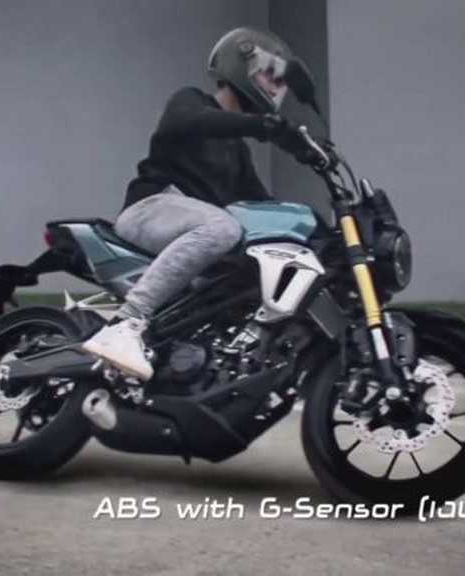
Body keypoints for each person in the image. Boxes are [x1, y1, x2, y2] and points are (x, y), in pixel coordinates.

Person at [80, 27, 313, 380]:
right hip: (150, 209)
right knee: (223, 228)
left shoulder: (238, 152)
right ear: (244, 65)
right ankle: (125, 323)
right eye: (273, 76)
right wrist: (263, 125)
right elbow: (187, 120)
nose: (277, 88)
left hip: (195, 232)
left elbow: (261, 206)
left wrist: (313, 227)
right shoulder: (190, 102)